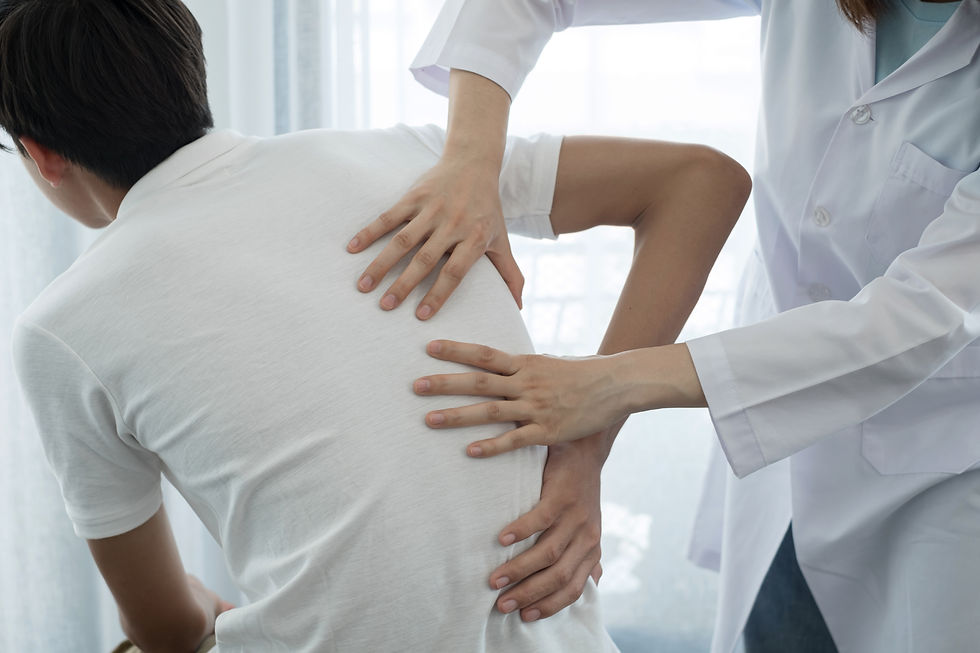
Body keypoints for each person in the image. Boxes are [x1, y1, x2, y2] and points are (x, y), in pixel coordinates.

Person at [0, 0, 751, 650]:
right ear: (189, 61)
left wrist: (212, 609)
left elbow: (165, 628)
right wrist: (585, 445)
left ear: (42, 156)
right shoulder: (411, 158)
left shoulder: (64, 327)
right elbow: (702, 181)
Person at [346, 1, 980, 652]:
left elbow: (918, 316)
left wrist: (603, 394)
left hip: (936, 471)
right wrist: (471, 163)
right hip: (783, 464)